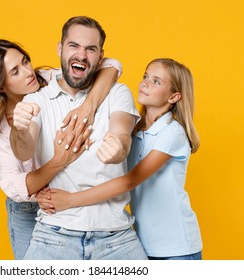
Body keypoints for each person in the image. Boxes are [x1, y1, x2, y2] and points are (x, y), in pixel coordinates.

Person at [0, 39, 122, 259]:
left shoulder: (51, 81)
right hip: (29, 210)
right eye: (15, 72)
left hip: (70, 198)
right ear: (0, 85)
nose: (28, 72)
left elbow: (111, 65)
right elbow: (14, 184)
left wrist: (89, 105)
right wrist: (60, 161)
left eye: (25, 61)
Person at [10, 16, 147, 260]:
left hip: (115, 236)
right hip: (54, 234)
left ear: (100, 56)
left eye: (90, 49)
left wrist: (118, 147)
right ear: (60, 49)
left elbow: (121, 134)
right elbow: (23, 150)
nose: (81, 55)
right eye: (73, 46)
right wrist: (19, 128)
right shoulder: (36, 100)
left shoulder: (117, 92)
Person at [38, 58, 203, 260]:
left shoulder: (172, 132)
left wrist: (70, 200)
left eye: (157, 81)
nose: (145, 83)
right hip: (141, 242)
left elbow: (129, 181)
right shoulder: (134, 132)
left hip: (177, 247)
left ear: (174, 97)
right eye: (145, 76)